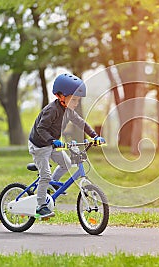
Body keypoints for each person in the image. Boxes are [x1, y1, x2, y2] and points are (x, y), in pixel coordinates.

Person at [28, 73, 105, 218]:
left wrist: (94, 136)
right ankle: (40, 206)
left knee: (67, 163)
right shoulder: (52, 110)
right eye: (74, 100)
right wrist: (52, 140)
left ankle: (52, 184)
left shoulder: (69, 111)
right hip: (39, 145)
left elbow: (81, 123)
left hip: (51, 144)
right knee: (45, 175)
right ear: (61, 96)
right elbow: (41, 129)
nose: (76, 103)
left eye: (78, 100)